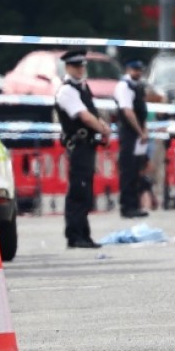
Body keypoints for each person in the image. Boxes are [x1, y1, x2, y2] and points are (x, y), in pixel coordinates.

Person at [54, 49, 112, 249]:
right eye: (76, 66)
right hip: (78, 146)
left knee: (85, 191)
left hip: (87, 146)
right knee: (78, 191)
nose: (81, 69)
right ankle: (74, 235)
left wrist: (102, 128)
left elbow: (91, 112)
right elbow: (84, 116)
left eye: (82, 65)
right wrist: (103, 129)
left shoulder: (81, 87)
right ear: (68, 67)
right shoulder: (67, 90)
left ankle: (84, 234)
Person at [113, 59, 150, 219]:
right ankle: (126, 206)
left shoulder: (138, 86)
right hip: (129, 133)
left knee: (136, 170)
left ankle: (134, 205)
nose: (138, 73)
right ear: (128, 70)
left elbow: (142, 112)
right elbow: (128, 112)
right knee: (128, 170)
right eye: (135, 70)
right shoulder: (124, 86)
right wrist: (140, 131)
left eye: (140, 70)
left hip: (137, 133)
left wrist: (144, 130)